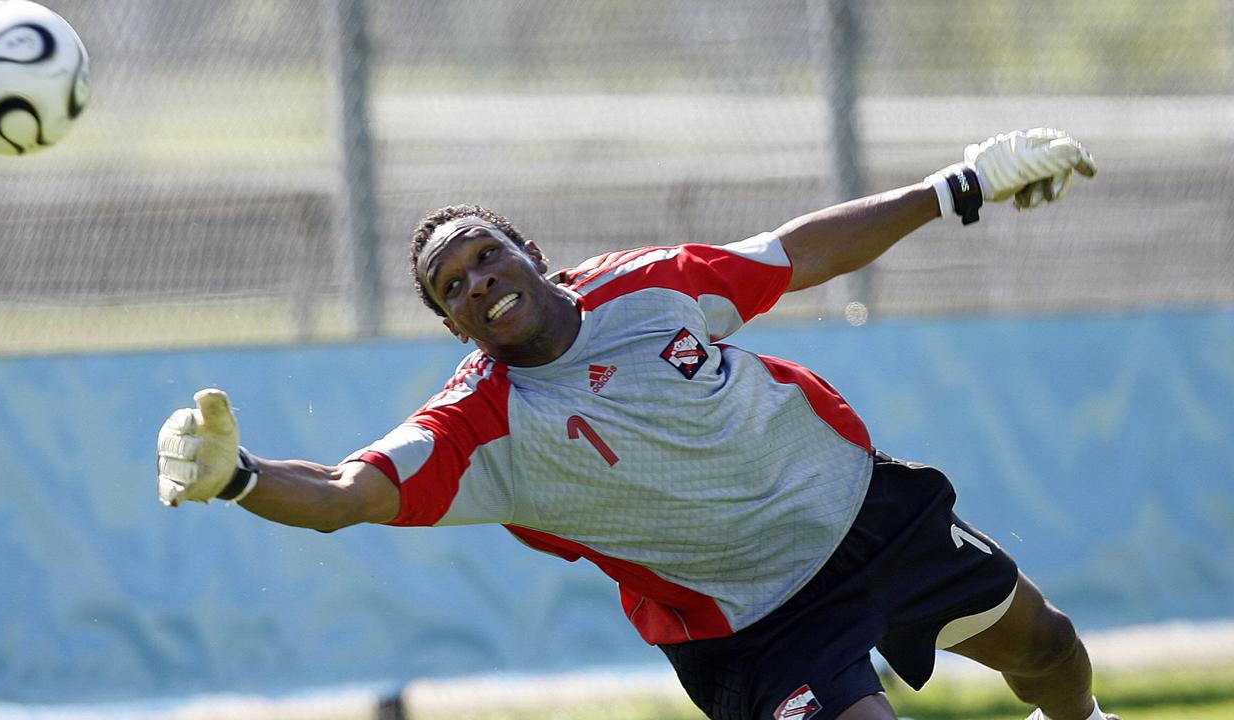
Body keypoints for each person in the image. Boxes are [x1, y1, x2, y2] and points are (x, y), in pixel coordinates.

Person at [157, 128, 1115, 720]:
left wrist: (958, 187)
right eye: (453, 288)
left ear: (531, 253)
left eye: (487, 257)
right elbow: (345, 493)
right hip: (753, 624)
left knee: (1051, 650)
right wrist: (239, 478)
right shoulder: (476, 426)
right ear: (451, 326)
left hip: (866, 516)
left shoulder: (646, 284)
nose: (479, 282)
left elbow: (796, 253)